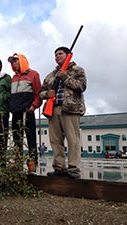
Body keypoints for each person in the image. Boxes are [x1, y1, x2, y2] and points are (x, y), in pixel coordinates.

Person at [39, 46, 87, 179]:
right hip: (53, 110)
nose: (57, 57)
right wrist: (47, 94)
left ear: (68, 55)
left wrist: (65, 77)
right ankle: (59, 168)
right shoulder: (50, 75)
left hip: (70, 109)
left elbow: (81, 86)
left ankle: (73, 168)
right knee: (55, 140)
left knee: (73, 139)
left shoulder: (77, 70)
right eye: (55, 55)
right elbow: (41, 92)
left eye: (60, 54)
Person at [8, 53, 42, 173]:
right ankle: (18, 161)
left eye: (16, 61)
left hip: (28, 111)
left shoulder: (33, 74)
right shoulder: (13, 78)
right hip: (16, 112)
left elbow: (38, 93)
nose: (14, 64)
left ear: (22, 61)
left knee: (31, 137)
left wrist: (33, 106)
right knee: (17, 137)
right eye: (12, 62)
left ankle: (32, 161)